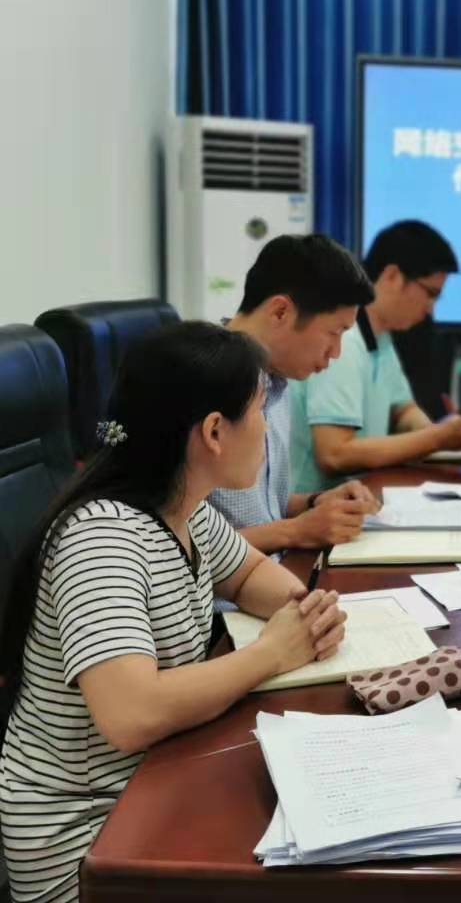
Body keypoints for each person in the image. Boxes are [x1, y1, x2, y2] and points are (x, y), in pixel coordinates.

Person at [0, 322, 347, 903]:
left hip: (157, 780)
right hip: (87, 845)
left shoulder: (185, 509)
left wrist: (303, 612)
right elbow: (131, 714)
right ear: (214, 432)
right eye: (258, 412)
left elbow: (249, 575)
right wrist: (272, 653)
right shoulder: (103, 539)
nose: (266, 430)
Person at [209, 234, 381, 552]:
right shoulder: (203, 384)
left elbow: (258, 510)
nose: (336, 352)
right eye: (334, 333)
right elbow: (180, 549)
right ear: (280, 312)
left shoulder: (274, 381)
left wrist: (316, 502)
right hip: (234, 584)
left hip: (273, 572)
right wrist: (295, 532)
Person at [290, 220, 461, 493]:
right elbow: (335, 454)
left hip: (355, 494)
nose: (430, 309)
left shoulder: (380, 336)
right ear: (392, 276)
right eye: (430, 294)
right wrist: (436, 439)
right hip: (312, 507)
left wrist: (443, 431)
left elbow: (402, 409)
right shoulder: (343, 340)